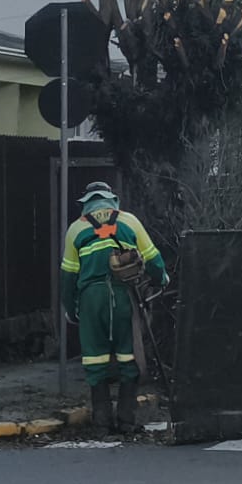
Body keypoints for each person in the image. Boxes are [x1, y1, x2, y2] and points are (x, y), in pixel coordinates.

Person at [60, 181, 167, 435]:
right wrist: (161, 278)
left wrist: (71, 309)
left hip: (90, 300)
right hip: (123, 296)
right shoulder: (129, 221)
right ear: (112, 200)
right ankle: (127, 421)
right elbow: (153, 258)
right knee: (128, 357)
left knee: (94, 359)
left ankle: (101, 423)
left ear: (86, 202)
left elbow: (68, 276)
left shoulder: (76, 229)